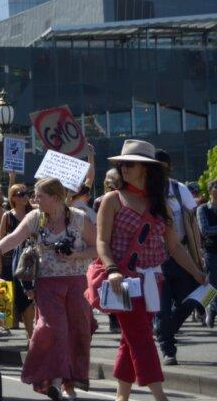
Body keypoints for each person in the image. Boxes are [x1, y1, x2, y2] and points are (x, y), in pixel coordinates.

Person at [93, 140, 206, 401]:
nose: (123, 168)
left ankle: (122, 397)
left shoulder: (160, 204)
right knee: (142, 338)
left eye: (129, 164)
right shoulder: (112, 199)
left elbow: (175, 247)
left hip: (154, 280)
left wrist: (197, 273)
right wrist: (111, 270)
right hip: (122, 281)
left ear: (146, 168)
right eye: (121, 164)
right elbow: (101, 241)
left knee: (130, 339)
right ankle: (160, 397)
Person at [0, 177, 97, 401]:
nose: (34, 199)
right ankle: (52, 380)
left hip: (77, 281)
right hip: (48, 283)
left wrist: (77, 255)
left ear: (55, 197)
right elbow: (13, 238)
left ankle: (69, 384)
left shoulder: (79, 218)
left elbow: (97, 248)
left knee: (78, 331)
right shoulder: (35, 217)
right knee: (53, 330)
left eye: (39, 195)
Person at [153, 149, 204, 365]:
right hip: (155, 258)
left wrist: (197, 254)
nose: (159, 173)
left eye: (163, 168)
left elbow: (192, 221)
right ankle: (168, 349)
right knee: (162, 307)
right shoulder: (143, 192)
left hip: (181, 253)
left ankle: (165, 331)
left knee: (195, 298)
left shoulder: (179, 188)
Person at [0, 183, 36, 337]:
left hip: (28, 264)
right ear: (13, 197)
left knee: (27, 300)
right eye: (21, 194)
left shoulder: (34, 213)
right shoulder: (8, 216)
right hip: (9, 263)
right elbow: (0, 241)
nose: (26, 196)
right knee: (6, 297)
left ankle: (30, 334)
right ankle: (3, 326)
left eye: (27, 193)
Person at [198, 179, 217, 328]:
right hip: (211, 252)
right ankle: (208, 309)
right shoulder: (203, 209)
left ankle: (213, 308)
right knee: (210, 284)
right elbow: (205, 230)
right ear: (210, 190)